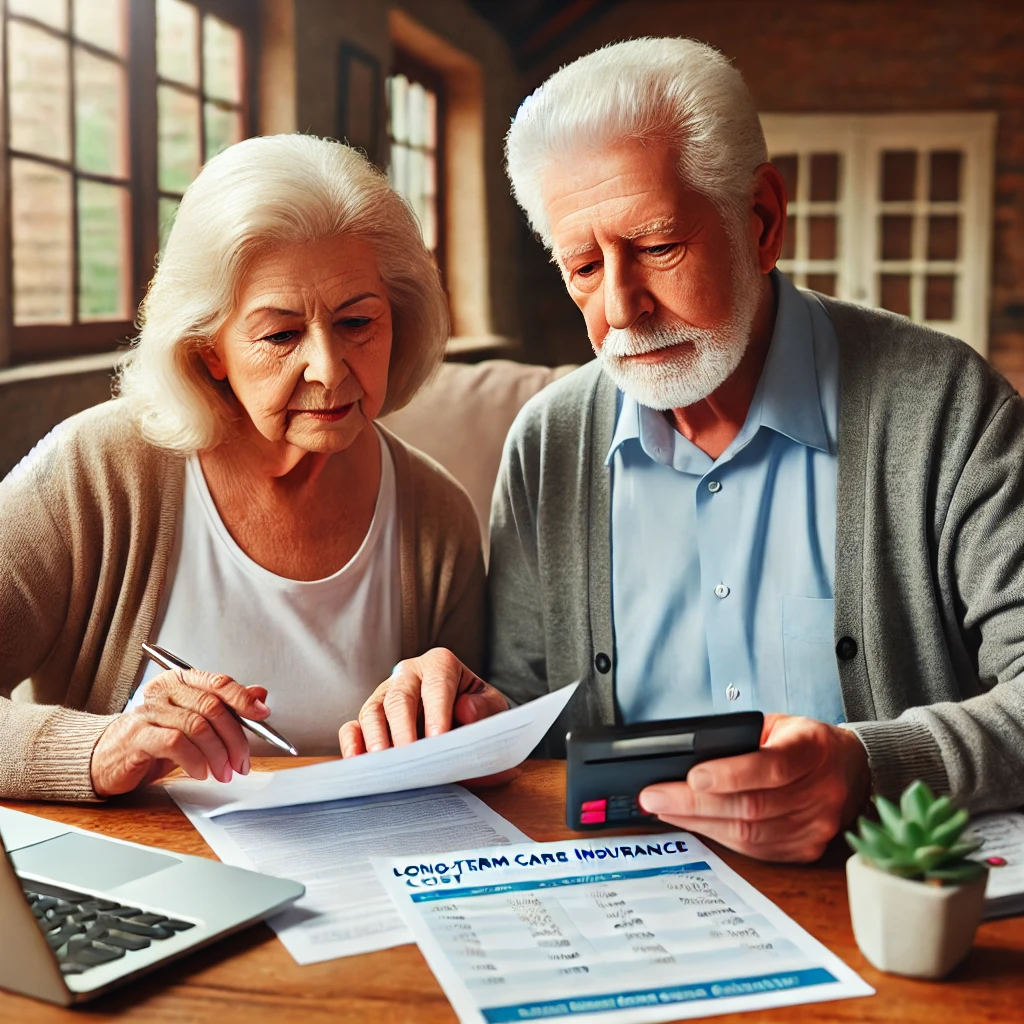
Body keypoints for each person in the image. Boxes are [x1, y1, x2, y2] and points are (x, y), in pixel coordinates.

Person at [340, 38, 1024, 863]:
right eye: (583, 266)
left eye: (659, 247)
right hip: (626, 894)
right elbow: (538, 715)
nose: (622, 307)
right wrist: (476, 719)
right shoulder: (548, 444)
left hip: (877, 887)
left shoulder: (945, 406)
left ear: (762, 222)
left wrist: (868, 768)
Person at [0, 134, 483, 802]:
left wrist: (468, 719)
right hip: (148, 893)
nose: (328, 367)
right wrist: (101, 748)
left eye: (356, 322)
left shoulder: (438, 515)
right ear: (209, 349)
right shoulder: (94, 473)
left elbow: (477, 756)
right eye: (281, 335)